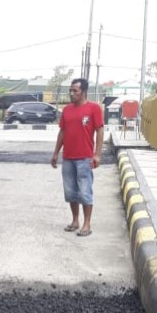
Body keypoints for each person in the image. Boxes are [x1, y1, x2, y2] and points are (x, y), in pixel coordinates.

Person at [50, 78, 104, 237]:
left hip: (85, 159)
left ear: (84, 92)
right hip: (68, 158)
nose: (72, 94)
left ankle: (87, 224)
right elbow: (62, 132)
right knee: (70, 192)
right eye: (71, 91)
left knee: (85, 191)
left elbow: (100, 131)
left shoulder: (94, 109)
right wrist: (55, 153)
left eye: (75, 91)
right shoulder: (66, 110)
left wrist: (97, 154)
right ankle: (75, 220)